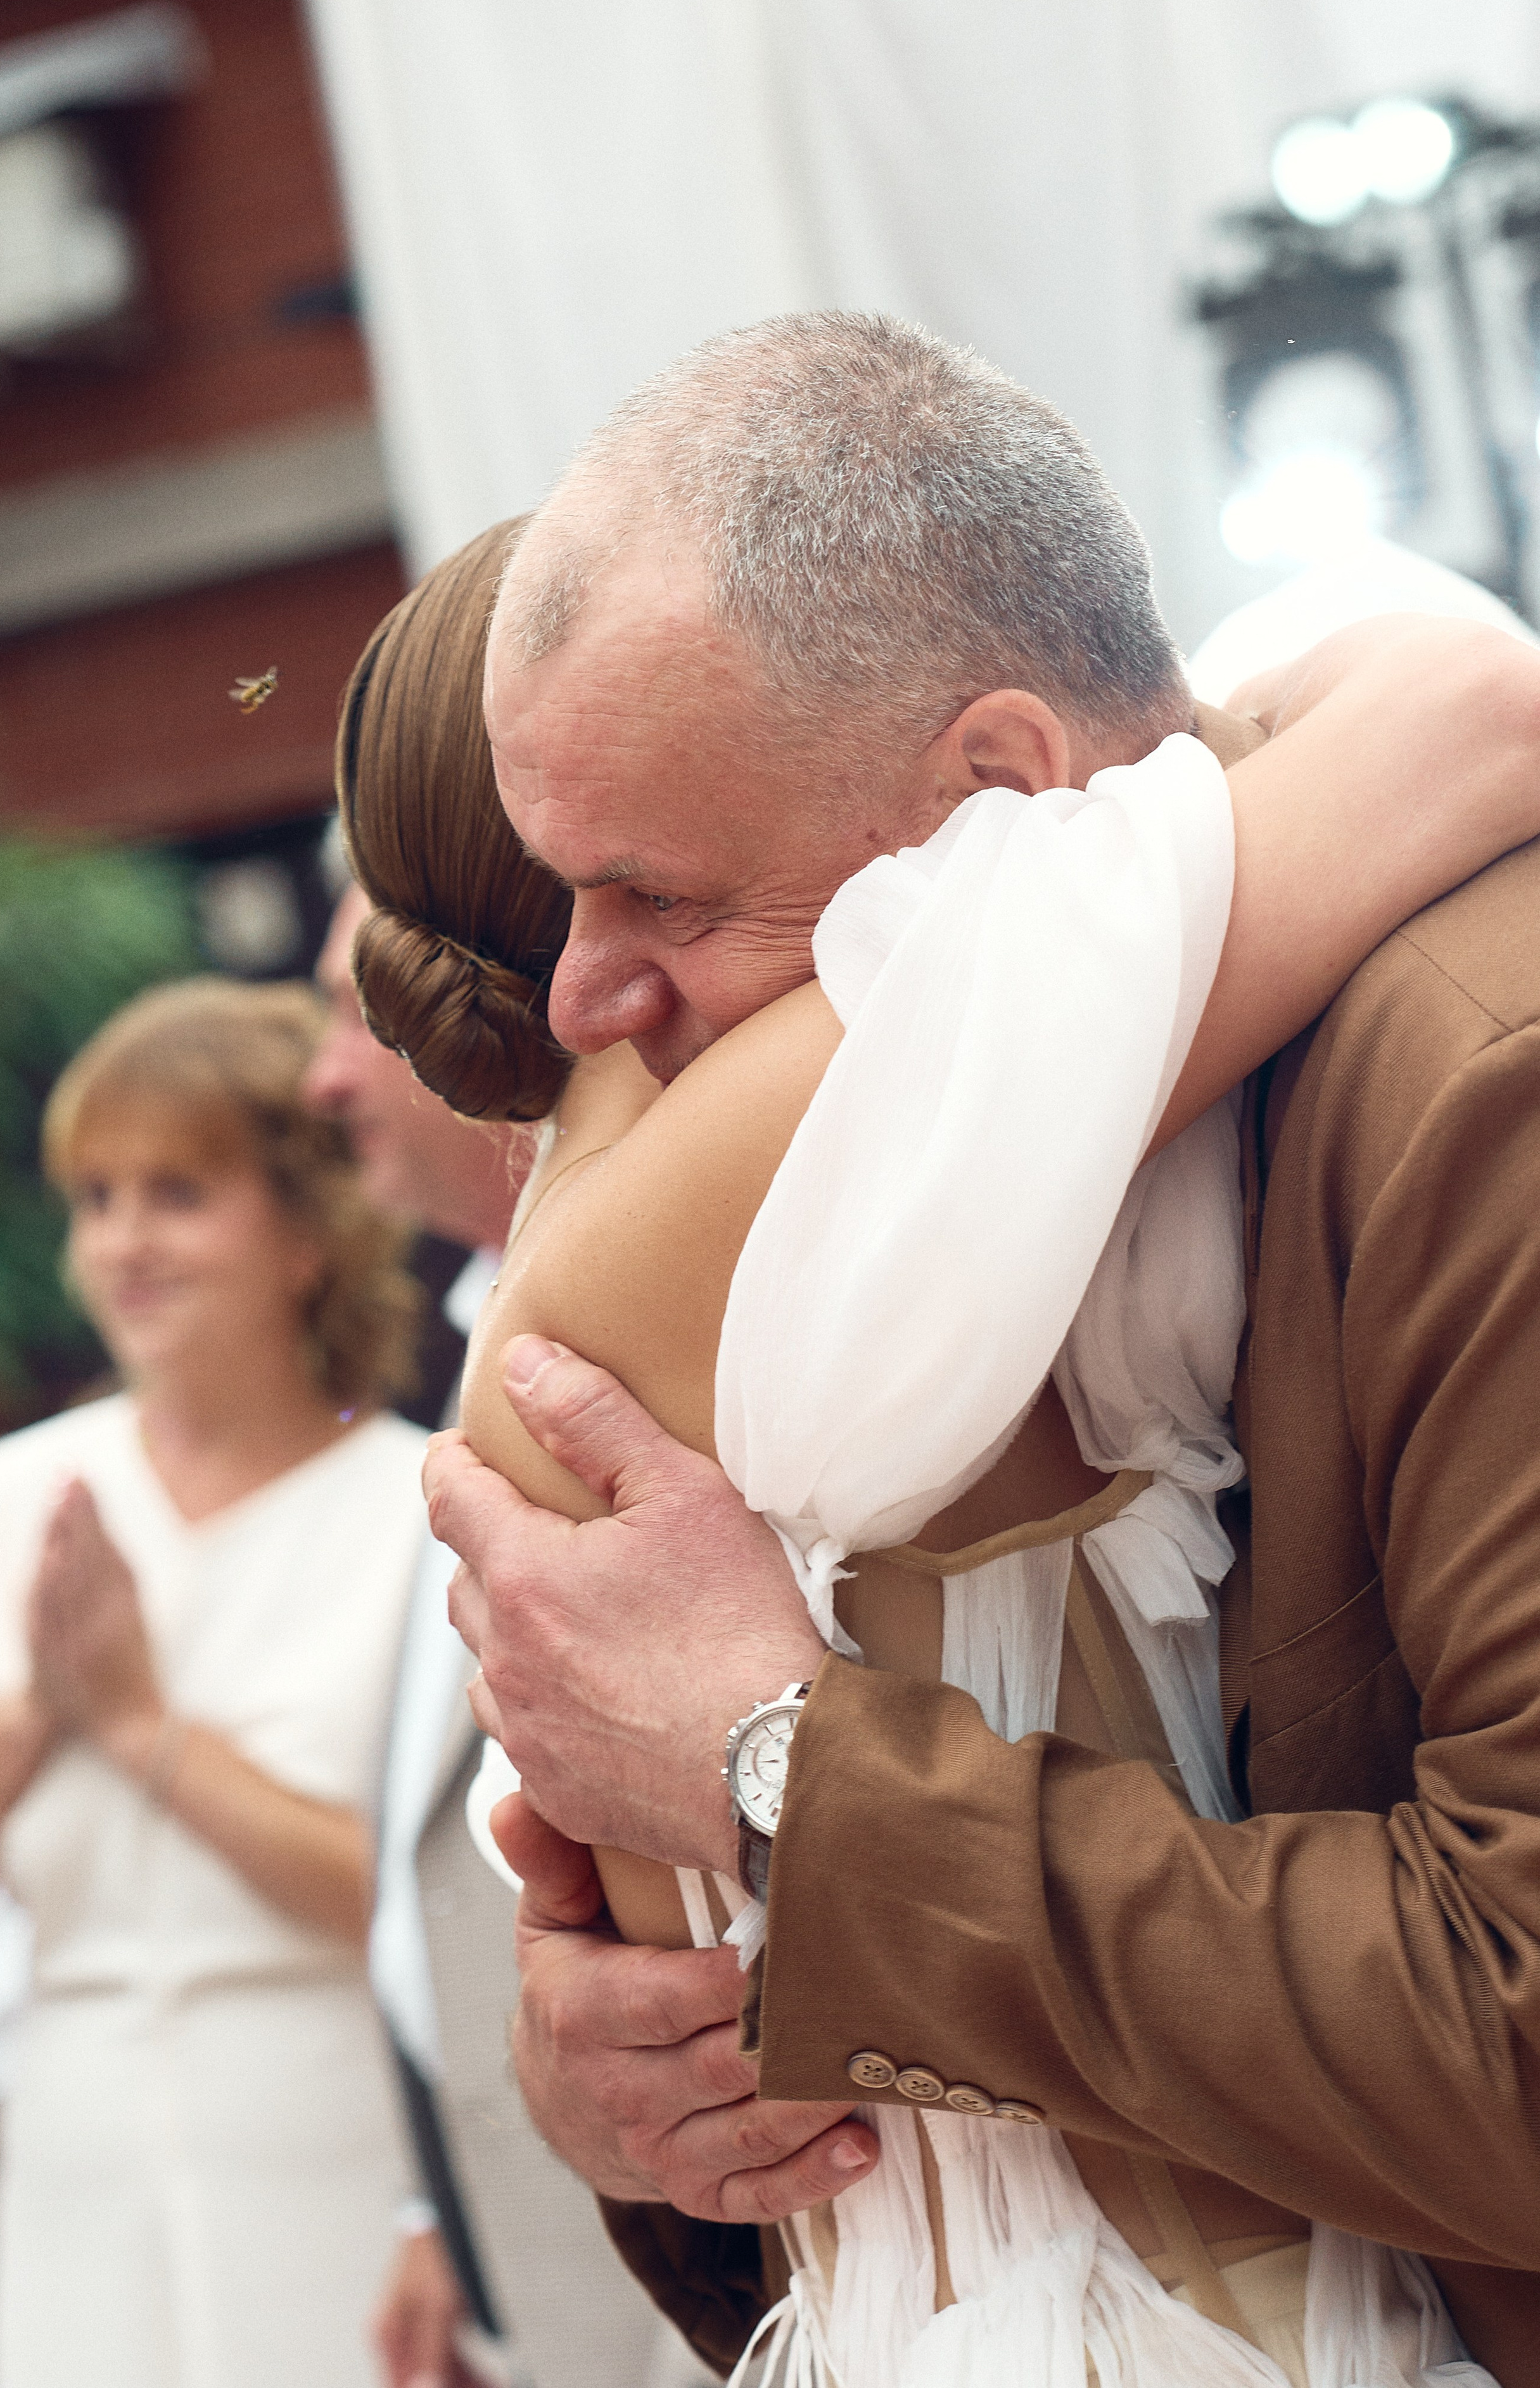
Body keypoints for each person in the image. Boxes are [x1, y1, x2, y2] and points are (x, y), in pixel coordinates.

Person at [381, 315, 1540, 2380]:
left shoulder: (1480, 1093)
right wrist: (642, 2104)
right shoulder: (908, 1228)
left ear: (1005, 794)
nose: (580, 1006)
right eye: (559, 896)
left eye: (654, 892)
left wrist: (780, 1776)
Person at [0, 977, 428, 2388]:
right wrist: (36, 1715)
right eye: (95, 1197)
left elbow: (425, 1912)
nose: (123, 1243)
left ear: (311, 1233)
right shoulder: (6, 1507)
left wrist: (145, 1727)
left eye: (177, 1193)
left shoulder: (419, 1515)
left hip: (351, 2158)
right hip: (71, 2167)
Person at [305, 772, 692, 2388]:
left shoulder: (630, 1334)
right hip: (535, 2287)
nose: (321, 1080)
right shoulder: (486, 1323)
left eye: (353, 1009)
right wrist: (438, 2214)